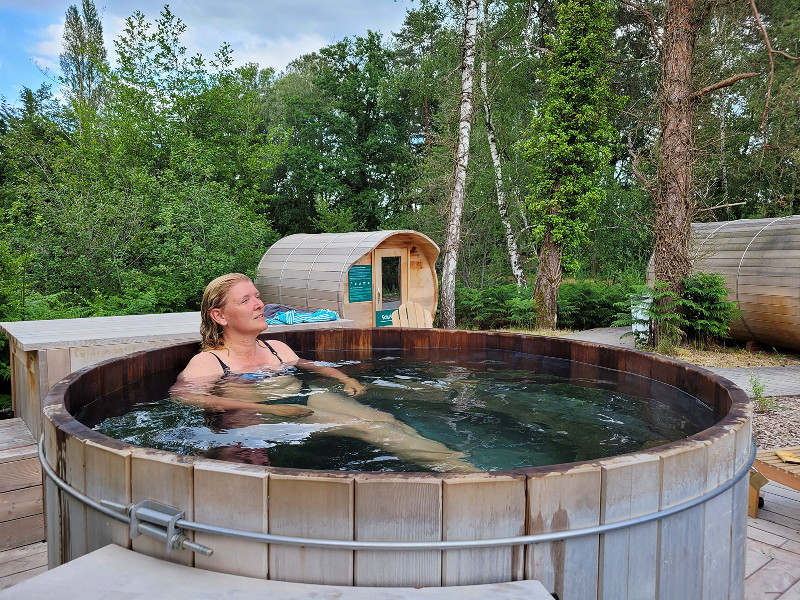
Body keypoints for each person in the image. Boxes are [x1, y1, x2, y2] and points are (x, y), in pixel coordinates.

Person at [171, 273, 474, 472]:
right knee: (369, 427)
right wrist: (261, 408)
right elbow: (185, 398)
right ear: (220, 315)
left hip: (301, 402)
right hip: (266, 417)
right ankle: (464, 474)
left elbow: (308, 366)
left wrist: (344, 377)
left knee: (385, 419)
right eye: (245, 300)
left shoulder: (277, 348)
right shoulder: (210, 362)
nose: (259, 304)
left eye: (257, 295)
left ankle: (457, 462)